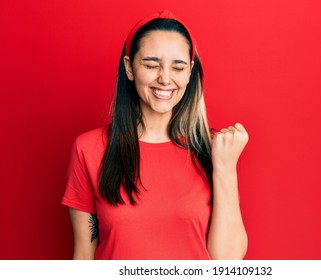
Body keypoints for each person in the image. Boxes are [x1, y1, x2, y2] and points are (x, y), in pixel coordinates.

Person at [62, 10, 248, 260]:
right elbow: (84, 257)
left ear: (190, 72)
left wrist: (225, 167)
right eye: (151, 65)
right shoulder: (89, 148)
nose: (165, 79)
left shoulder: (213, 149)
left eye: (178, 67)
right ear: (129, 67)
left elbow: (227, 263)